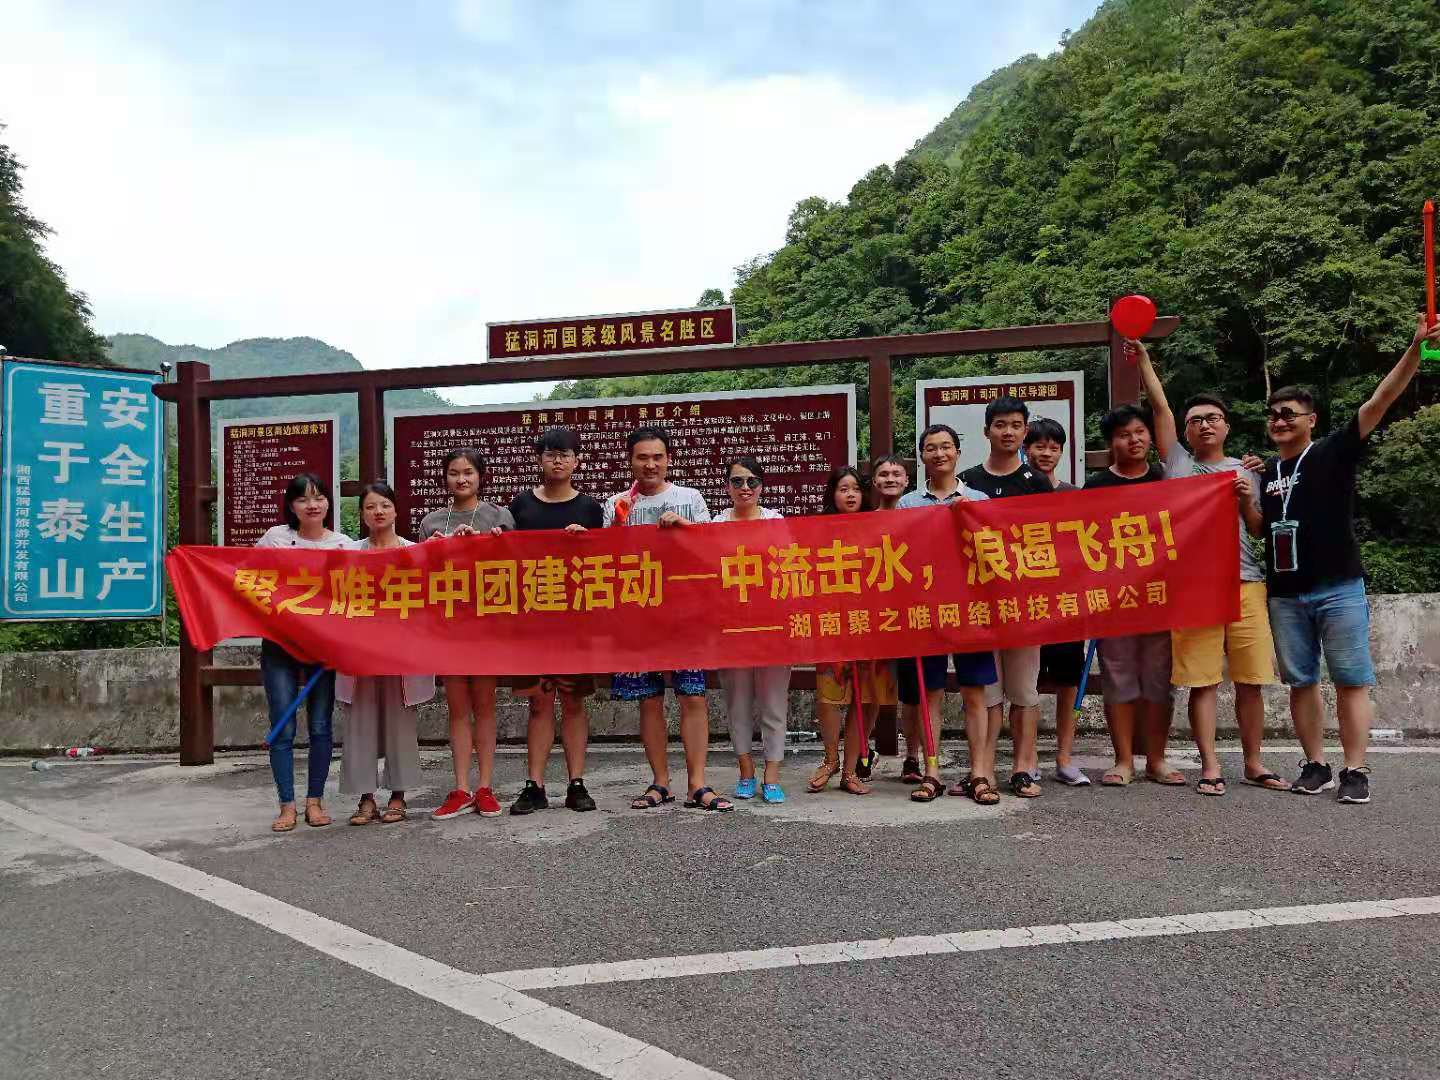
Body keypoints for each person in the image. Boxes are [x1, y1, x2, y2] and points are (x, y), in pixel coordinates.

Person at [1248, 315, 1440, 804]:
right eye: (1272, 415)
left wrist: (1415, 349)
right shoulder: (1267, 474)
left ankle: (1356, 769)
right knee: (1301, 682)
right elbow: (1261, 529)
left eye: (1289, 413)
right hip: (1285, 593)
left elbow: (1380, 400)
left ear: (1311, 419)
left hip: (1338, 586)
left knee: (1352, 680)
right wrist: (1243, 498)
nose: (1279, 420)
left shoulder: (1333, 451)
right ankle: (1315, 764)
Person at [1133, 343, 1280, 797]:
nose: (1204, 425)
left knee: (1252, 681)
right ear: (1186, 431)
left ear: (1227, 426)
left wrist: (1246, 499)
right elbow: (1159, 407)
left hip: (1246, 582)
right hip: (1194, 587)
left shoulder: (1248, 470)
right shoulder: (1178, 464)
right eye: (1195, 420)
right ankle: (1210, 765)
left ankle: (1254, 762)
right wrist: (1144, 361)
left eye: (1212, 418)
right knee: (1202, 682)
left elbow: (1258, 529)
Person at [603, 427, 733, 812]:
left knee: (692, 695)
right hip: (637, 617)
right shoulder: (616, 504)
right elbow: (606, 559)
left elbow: (713, 549)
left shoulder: (690, 498)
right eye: (642, 457)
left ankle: (698, 784)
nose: (650, 464)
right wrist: (611, 529)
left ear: (669, 459)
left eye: (657, 457)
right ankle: (660, 782)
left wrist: (684, 529)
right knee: (648, 700)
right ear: (630, 461)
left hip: (686, 614)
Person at [896, 424, 1000, 804]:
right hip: (926, 610)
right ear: (921, 455)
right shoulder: (908, 504)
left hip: (971, 608)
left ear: (957, 452)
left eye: (945, 447)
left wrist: (967, 517)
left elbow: (994, 553)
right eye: (930, 448)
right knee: (931, 694)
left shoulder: (978, 499)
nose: (939, 454)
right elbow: (901, 555)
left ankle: (979, 774)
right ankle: (932, 772)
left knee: (975, 692)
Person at [506, 428, 605, 815]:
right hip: (533, 620)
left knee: (574, 702)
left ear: (577, 461)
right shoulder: (521, 505)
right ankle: (535, 785)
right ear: (539, 459)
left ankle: (576, 783)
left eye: (565, 454)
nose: (558, 461)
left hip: (575, 620)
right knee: (538, 703)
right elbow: (506, 559)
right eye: (550, 454)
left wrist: (586, 542)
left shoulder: (590, 508)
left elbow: (603, 563)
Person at [960, 397, 1053, 799]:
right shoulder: (966, 482)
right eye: (1000, 425)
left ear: (1025, 431)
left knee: (1025, 691)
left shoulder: (1037, 482)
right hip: (978, 603)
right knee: (988, 692)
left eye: (1016, 425)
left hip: (1024, 602)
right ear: (987, 431)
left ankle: (1023, 767)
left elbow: (1051, 540)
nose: (1008, 432)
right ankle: (983, 771)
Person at [420, 447, 517, 821]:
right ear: (444, 478)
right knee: (458, 709)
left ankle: (486, 787)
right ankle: (461, 788)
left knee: (485, 707)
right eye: (454, 473)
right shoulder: (431, 522)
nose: (461, 479)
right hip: (449, 628)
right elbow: (419, 575)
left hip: (487, 626)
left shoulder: (499, 516)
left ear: (480, 476)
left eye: (468, 472)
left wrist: (494, 543)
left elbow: (516, 568)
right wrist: (437, 548)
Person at [1085, 403, 1178, 788]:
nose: (1134, 440)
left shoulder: (1167, 479)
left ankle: (1156, 759)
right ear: (1112, 443)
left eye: (1140, 432)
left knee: (1159, 681)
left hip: (1161, 596)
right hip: (1114, 600)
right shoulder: (1096, 486)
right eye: (1124, 435)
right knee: (1118, 678)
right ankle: (1123, 759)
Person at [255, 473, 352, 832]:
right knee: (282, 723)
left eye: (319, 497)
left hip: (322, 647)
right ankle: (286, 805)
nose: (312, 505)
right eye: (303, 499)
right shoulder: (274, 538)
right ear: (291, 506)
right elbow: (247, 579)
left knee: (321, 726)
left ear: (328, 502)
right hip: (280, 644)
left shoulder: (343, 545)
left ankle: (315, 801)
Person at [338, 482, 433, 825]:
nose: (378, 512)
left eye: (384, 505)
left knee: (399, 722)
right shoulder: (347, 553)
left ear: (395, 510)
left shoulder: (415, 552)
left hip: (400, 654)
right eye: (370, 507)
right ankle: (365, 798)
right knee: (359, 722)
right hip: (359, 652)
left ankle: (398, 795)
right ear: (362, 514)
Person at [808, 467, 898, 796]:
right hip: (833, 622)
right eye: (843, 489)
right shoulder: (818, 530)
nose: (850, 495)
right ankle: (830, 759)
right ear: (832, 494)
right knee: (830, 694)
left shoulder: (878, 525)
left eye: (856, 489)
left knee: (870, 696)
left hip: (875, 623)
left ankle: (850, 770)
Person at [715, 456, 790, 804]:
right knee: (738, 702)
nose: (745, 488)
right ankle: (745, 771)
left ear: (761, 486)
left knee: (774, 703)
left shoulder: (776, 521)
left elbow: (788, 567)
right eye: (737, 481)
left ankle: (772, 774)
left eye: (752, 482)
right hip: (732, 626)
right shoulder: (716, 524)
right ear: (727, 487)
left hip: (772, 625)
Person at [1023, 418, 1091, 786]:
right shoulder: (1015, 492)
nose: (1046, 453)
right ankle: (1028, 756)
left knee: (1068, 682)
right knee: (1026, 684)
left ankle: (1064, 757)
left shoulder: (1075, 494)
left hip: (1066, 602)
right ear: (1026, 449)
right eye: (1039, 446)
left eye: (1054, 447)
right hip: (1025, 603)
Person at [864, 455, 910, 760]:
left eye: (896, 473)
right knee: (873, 689)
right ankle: (862, 751)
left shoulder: (920, 516)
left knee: (915, 691)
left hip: (913, 613)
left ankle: (914, 757)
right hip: (876, 615)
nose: (890, 479)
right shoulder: (865, 520)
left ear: (907, 480)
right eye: (883, 474)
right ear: (874, 481)